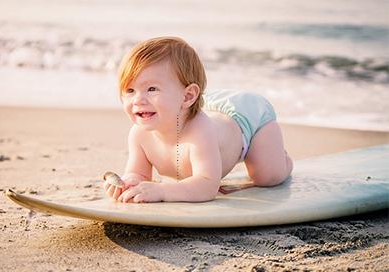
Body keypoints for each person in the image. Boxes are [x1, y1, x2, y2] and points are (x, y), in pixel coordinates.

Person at [104, 36, 293, 203]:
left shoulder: (200, 131)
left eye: (152, 89)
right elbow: (139, 173)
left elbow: (207, 186)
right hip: (212, 109)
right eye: (130, 90)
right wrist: (129, 182)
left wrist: (162, 190)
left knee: (267, 177)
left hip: (248, 120)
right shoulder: (139, 135)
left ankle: (282, 159)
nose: (138, 99)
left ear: (187, 97)